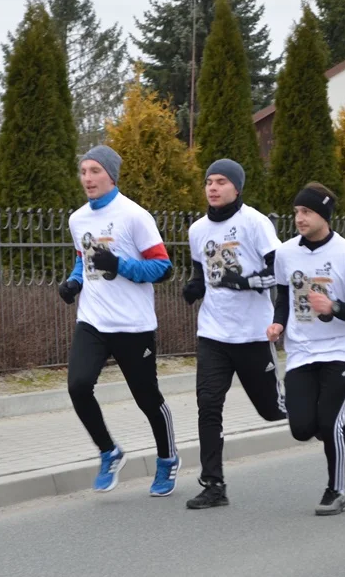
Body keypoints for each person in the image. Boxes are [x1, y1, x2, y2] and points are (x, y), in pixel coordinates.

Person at [58, 145, 179, 496]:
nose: (87, 178)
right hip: (93, 321)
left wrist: (121, 266)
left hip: (133, 325)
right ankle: (109, 452)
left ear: (111, 175)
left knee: (146, 398)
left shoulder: (135, 216)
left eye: (94, 171)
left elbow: (163, 268)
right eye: (83, 171)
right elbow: (84, 259)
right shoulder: (78, 219)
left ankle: (168, 459)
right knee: (78, 386)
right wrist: (74, 282)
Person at [266, 183, 345, 516]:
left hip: (340, 348)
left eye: (307, 212)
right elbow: (284, 297)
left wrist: (335, 308)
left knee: (327, 424)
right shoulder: (286, 253)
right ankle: (344, 416)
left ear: (324, 216)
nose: (299, 218)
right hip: (301, 349)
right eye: (297, 212)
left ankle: (336, 490)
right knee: (302, 429)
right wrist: (278, 323)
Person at [182, 159, 287, 510]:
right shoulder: (197, 230)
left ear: (237, 188)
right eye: (209, 181)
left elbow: (282, 272)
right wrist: (193, 289)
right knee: (208, 405)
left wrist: (245, 282)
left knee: (273, 412)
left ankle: (335, 416)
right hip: (213, 334)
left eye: (221, 181)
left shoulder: (254, 223)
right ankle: (214, 484)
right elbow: (202, 274)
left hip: (253, 335)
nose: (213, 187)